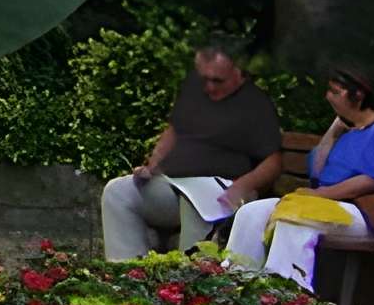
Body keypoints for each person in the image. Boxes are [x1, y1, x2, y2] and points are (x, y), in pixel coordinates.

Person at [225, 69, 374, 291]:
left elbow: (372, 181)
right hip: (322, 205)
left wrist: (322, 194)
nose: (328, 97)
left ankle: (283, 297)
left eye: (335, 92)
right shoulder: (348, 133)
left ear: (358, 95)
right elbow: (318, 172)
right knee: (250, 212)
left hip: (362, 213)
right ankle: (236, 285)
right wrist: (334, 130)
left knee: (294, 221)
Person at [99, 40, 284, 259]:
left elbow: (273, 163)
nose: (209, 87)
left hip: (223, 192)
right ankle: (128, 274)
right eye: (204, 78)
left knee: (195, 202)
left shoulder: (256, 105)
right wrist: (152, 166)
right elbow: (173, 130)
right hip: (174, 187)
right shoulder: (195, 91)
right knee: (119, 191)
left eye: (217, 80)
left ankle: (186, 283)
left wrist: (242, 186)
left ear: (238, 72)